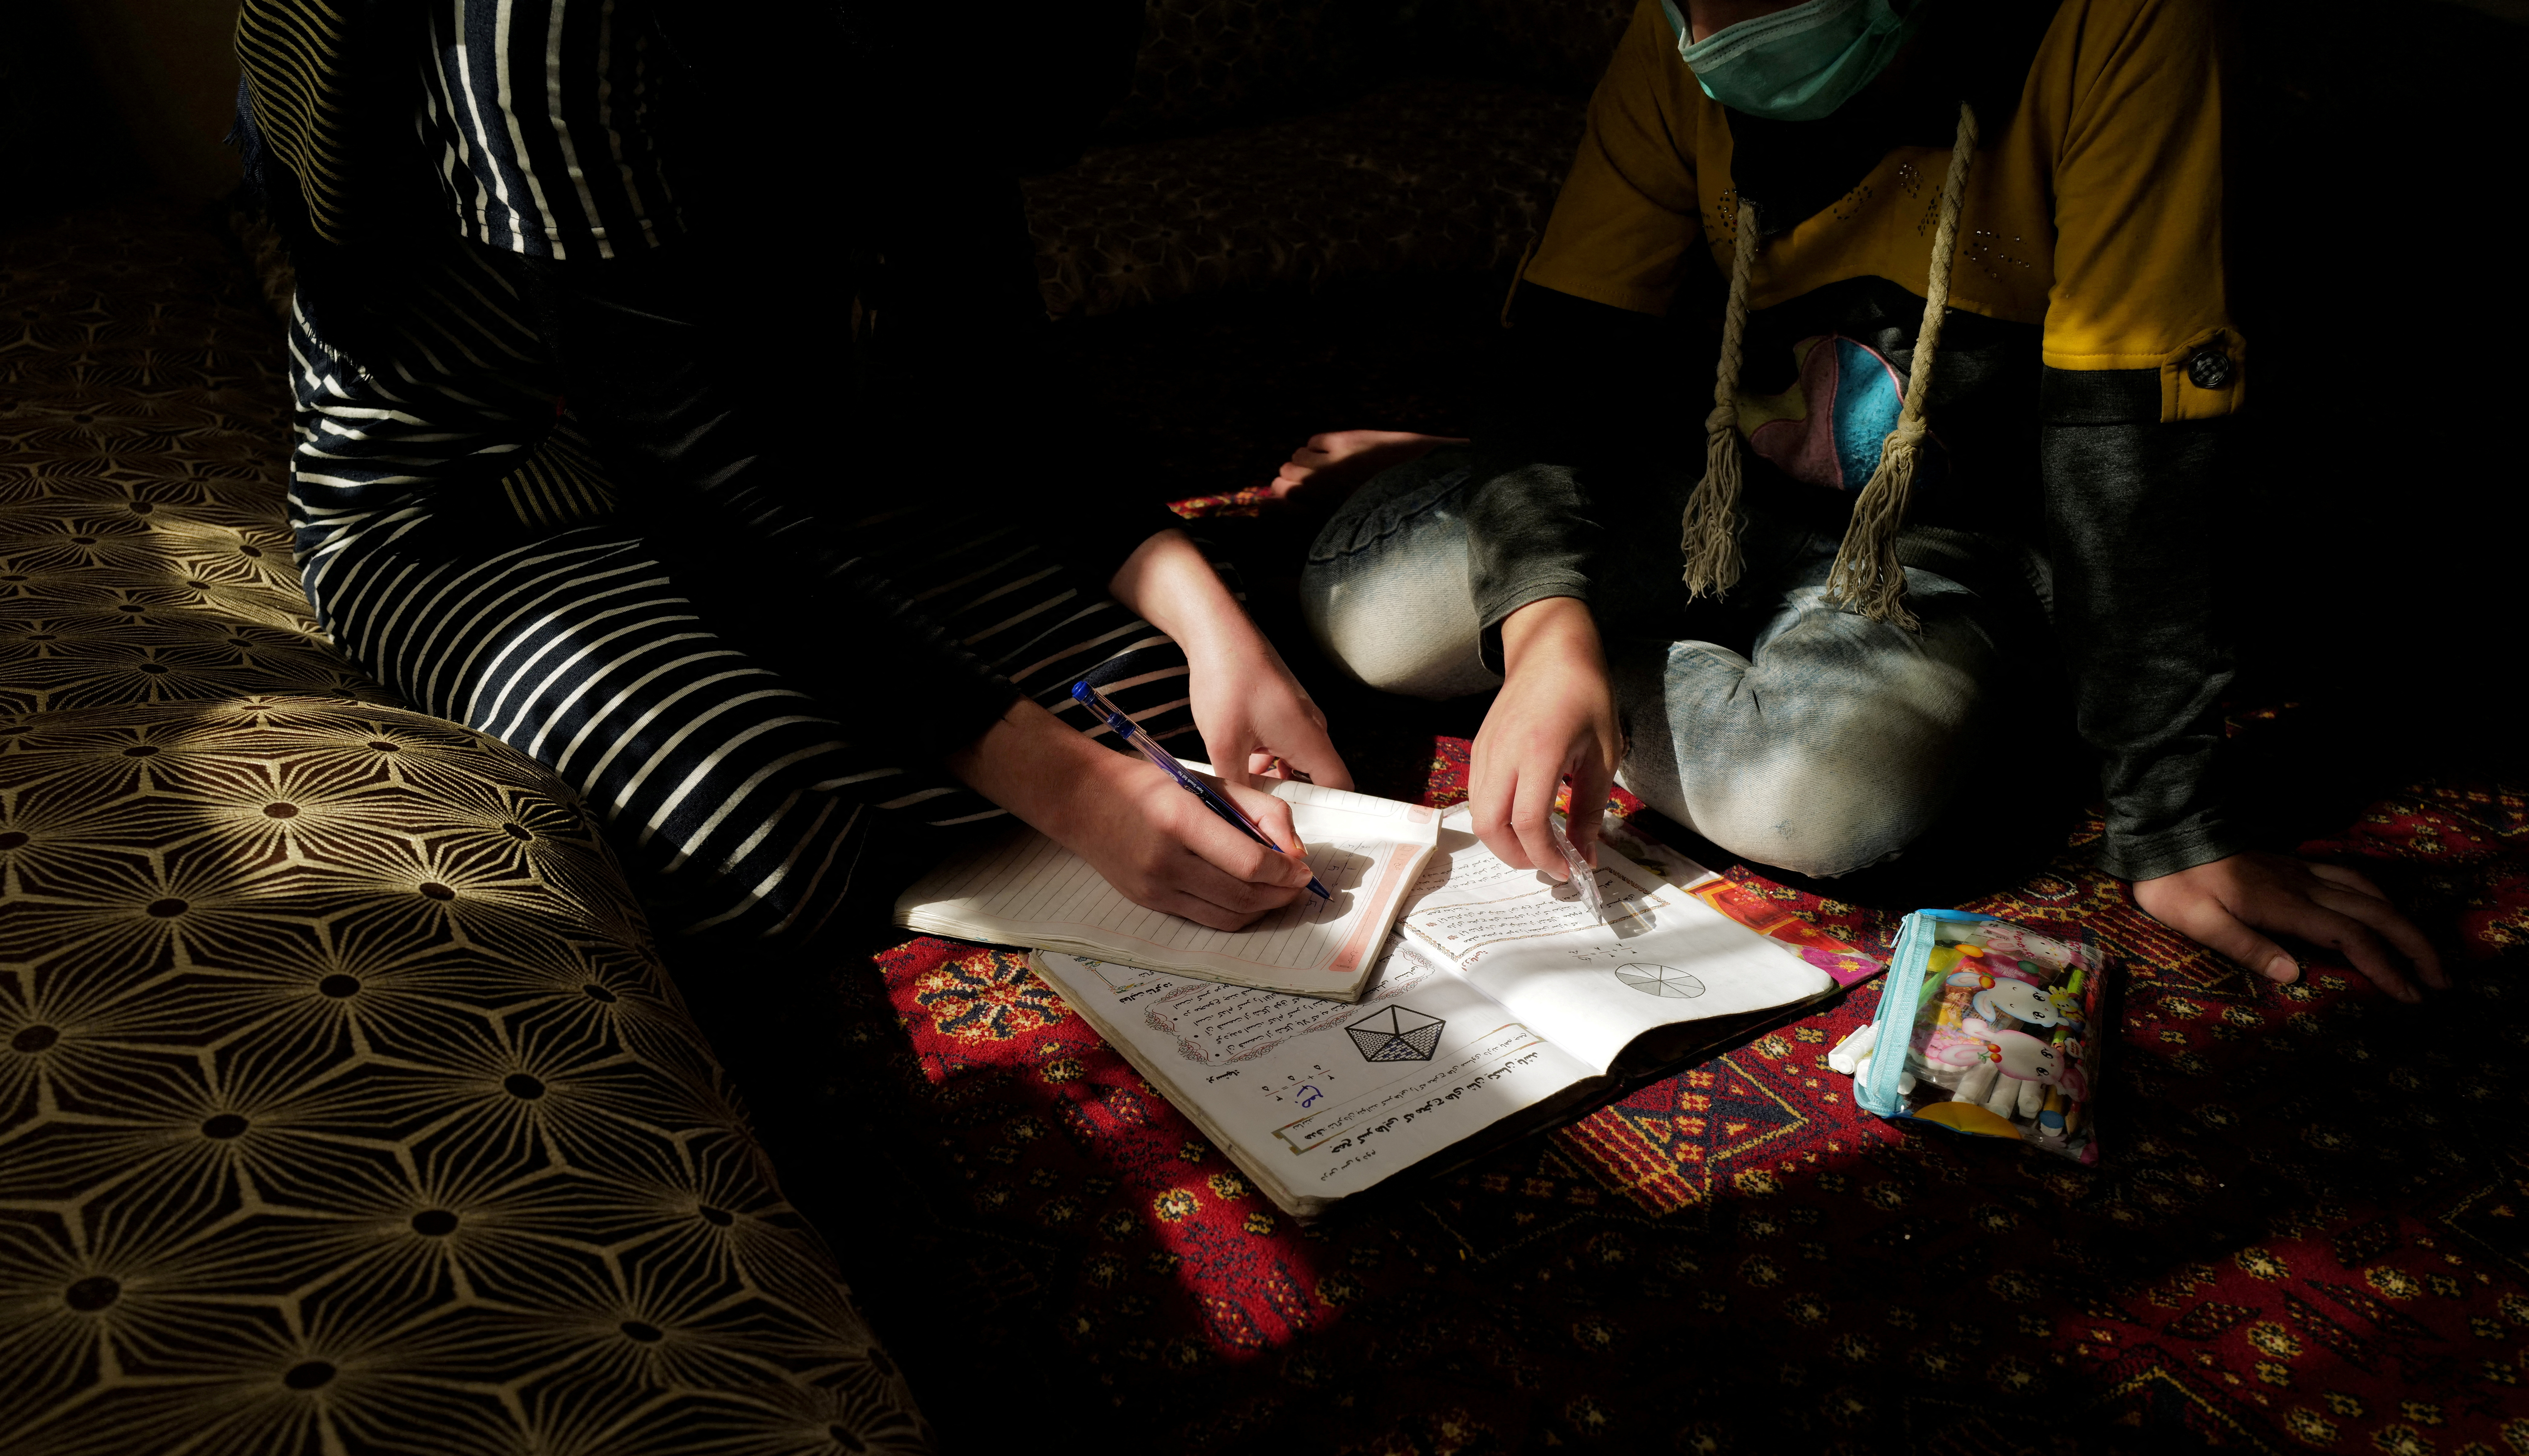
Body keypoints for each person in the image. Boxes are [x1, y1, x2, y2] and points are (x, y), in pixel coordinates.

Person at [1276, 0, 2446, 1003]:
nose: (1715, 34)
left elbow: (2129, 448)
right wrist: (1544, 632)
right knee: (1371, 613)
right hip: (1702, 492)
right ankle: (1566, 627)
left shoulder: (2116, 25)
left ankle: (1578, 636)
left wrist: (2176, 820)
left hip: (1944, 546)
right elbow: (1566, 360)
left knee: (1820, 800)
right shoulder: (1673, 36)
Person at [232, 0, 1346, 942]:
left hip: (825, 473)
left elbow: (995, 373)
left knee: (1183, 687)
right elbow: (693, 477)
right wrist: (1079, 792)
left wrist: (1213, 630)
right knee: (743, 820)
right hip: (493, 512)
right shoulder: (548, 35)